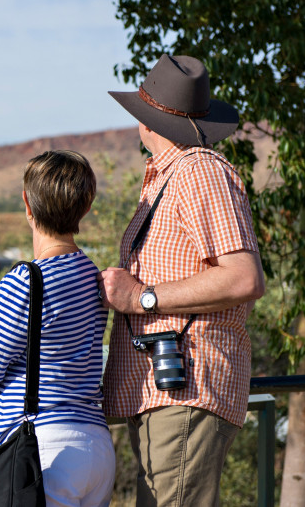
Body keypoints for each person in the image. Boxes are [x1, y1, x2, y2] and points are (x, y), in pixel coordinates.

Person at [99, 54, 266, 507]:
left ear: (148, 121)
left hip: (186, 390)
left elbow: (244, 277)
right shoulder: (169, 177)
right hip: (167, 391)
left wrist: (142, 298)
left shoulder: (200, 172)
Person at [0, 150, 116, 507]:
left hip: (45, 453)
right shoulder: (91, 276)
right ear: (86, 205)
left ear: (27, 205)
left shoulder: (26, 282)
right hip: (95, 447)